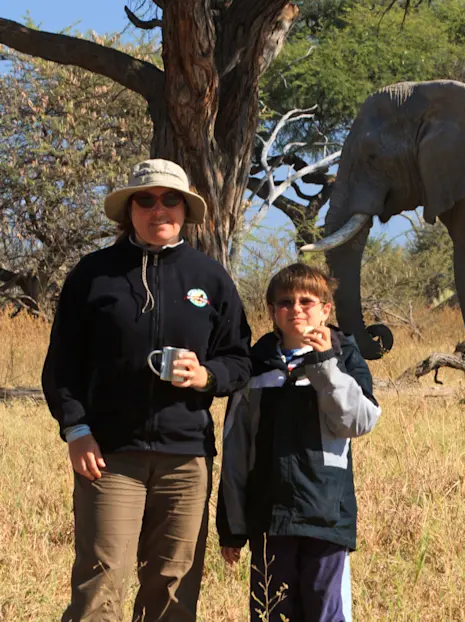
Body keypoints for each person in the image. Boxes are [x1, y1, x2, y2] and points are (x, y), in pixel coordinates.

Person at [42, 158, 252, 621]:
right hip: (110, 455)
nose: (159, 209)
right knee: (102, 578)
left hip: (186, 455)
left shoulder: (210, 277)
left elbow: (240, 358)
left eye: (170, 199)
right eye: (146, 199)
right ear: (129, 210)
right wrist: (76, 429)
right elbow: (61, 364)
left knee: (174, 585)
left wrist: (208, 376)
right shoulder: (94, 274)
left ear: (185, 209)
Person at [216, 263, 381, 622]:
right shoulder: (255, 367)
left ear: (326, 309)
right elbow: (236, 449)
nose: (296, 309)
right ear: (273, 312)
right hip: (268, 517)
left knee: (325, 613)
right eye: (285, 302)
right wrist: (231, 526)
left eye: (307, 301)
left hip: (326, 516)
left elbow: (358, 421)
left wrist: (325, 365)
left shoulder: (346, 357)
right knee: (271, 613)